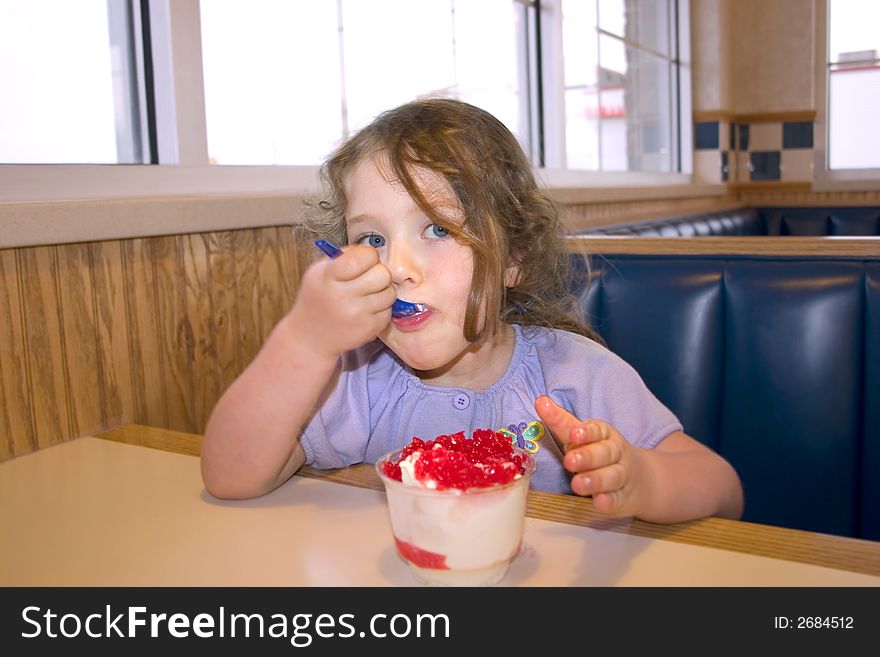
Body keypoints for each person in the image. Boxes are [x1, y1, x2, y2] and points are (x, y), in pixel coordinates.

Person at [201, 98, 743, 524]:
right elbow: (230, 476)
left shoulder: (577, 377)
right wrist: (303, 341)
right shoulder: (356, 380)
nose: (397, 268)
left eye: (437, 229)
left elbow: (722, 489)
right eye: (372, 237)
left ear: (512, 259)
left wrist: (641, 479)